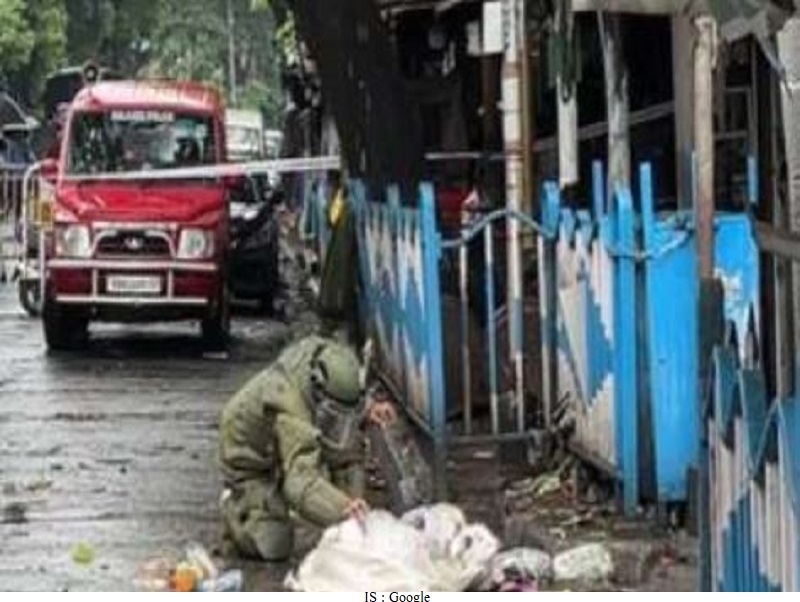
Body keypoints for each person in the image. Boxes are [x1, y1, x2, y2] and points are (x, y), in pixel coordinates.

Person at [218, 335, 396, 561]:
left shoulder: (328, 361)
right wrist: (343, 508)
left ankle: (352, 527)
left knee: (349, 456)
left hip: (287, 435)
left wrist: (369, 408)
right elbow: (299, 483)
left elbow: (346, 397)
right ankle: (236, 507)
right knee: (274, 545)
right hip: (252, 460)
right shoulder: (290, 405)